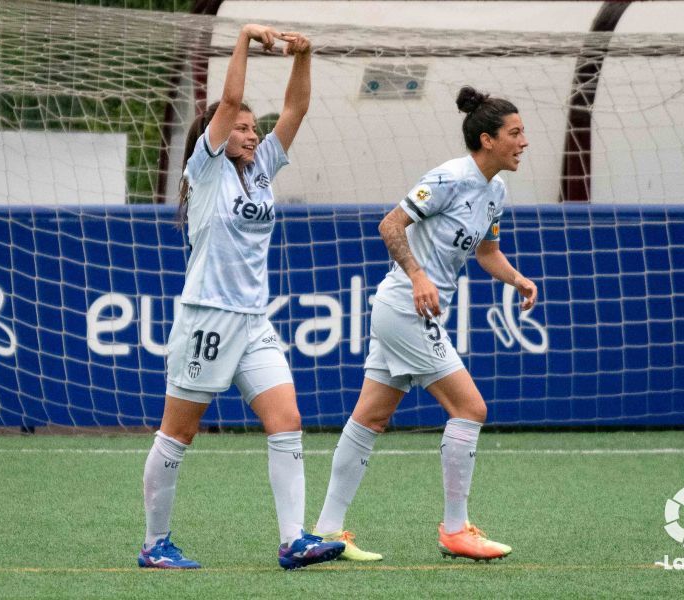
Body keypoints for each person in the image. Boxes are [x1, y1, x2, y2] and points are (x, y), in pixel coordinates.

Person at [138, 24, 344, 571]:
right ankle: (155, 543)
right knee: (178, 434)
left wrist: (304, 55)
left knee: (287, 420)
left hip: (254, 321)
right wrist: (248, 37)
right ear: (218, 133)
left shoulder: (261, 170)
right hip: (208, 317)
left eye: (255, 128)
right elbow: (228, 99)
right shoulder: (204, 171)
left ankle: (293, 540)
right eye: (243, 128)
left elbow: (296, 110)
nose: (252, 134)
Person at [312, 86, 537, 562]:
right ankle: (456, 531)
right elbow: (390, 224)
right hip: (405, 307)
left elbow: (487, 251)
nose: (524, 141)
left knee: (370, 417)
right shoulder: (449, 177)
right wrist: (417, 276)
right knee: (471, 408)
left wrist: (516, 280)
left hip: (414, 311)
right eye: (515, 133)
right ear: (487, 139)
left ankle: (328, 530)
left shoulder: (495, 190)